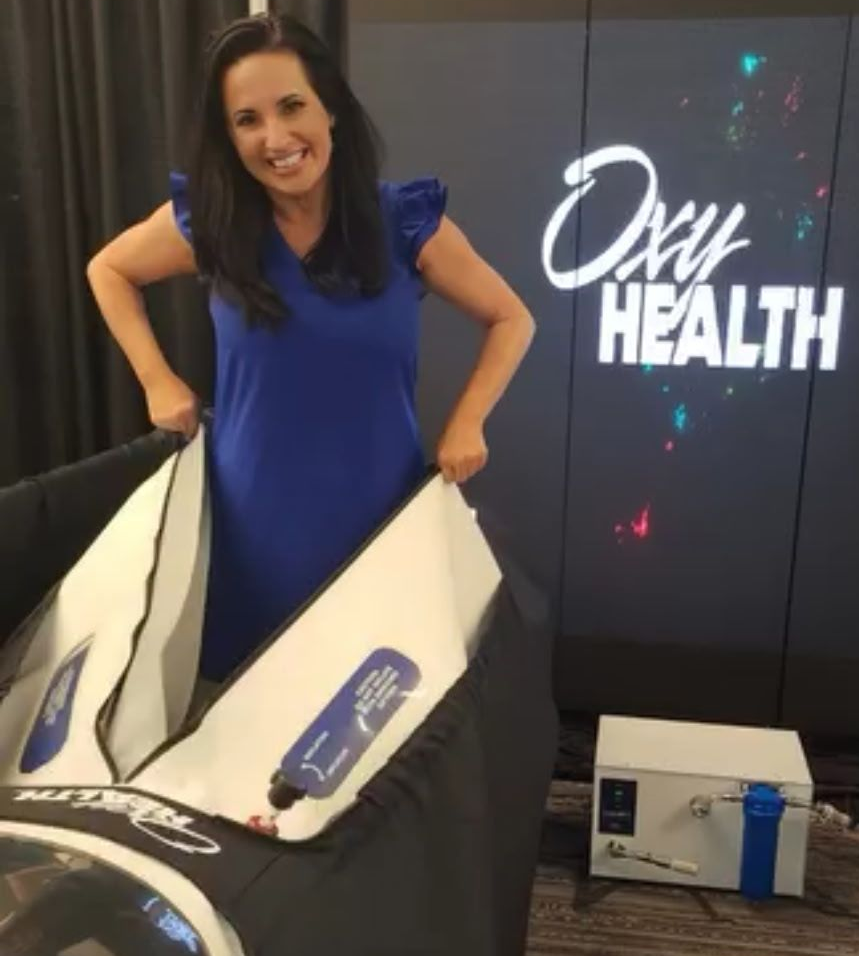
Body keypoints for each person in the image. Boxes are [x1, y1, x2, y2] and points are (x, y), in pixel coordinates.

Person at [86, 13, 535, 684]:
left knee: (362, 727)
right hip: (249, 526)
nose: (276, 138)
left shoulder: (404, 223)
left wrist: (467, 421)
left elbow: (510, 317)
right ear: (228, 136)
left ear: (331, 109)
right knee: (243, 721)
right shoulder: (212, 226)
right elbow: (109, 271)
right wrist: (156, 380)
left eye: (292, 106)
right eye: (247, 120)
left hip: (376, 521)